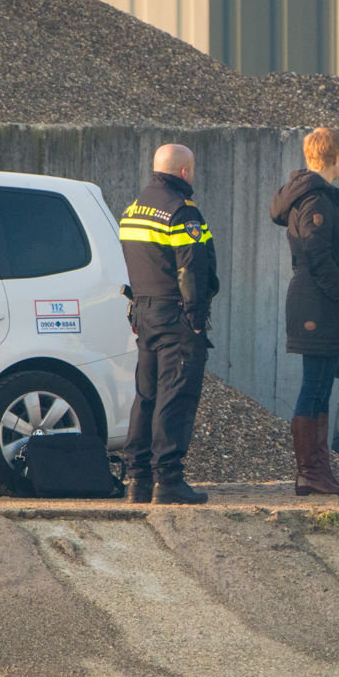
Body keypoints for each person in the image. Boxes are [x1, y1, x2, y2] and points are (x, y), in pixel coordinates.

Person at [119, 142, 219, 505]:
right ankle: (168, 479)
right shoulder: (181, 210)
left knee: (146, 397)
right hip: (176, 314)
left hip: (144, 313)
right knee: (175, 396)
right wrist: (195, 318)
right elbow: (190, 267)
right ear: (184, 172)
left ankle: (137, 479)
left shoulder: (133, 209)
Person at [272, 127, 339, 497]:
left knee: (321, 383)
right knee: (314, 386)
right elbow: (316, 253)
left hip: (317, 304)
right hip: (317, 305)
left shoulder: (316, 196)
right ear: (335, 158)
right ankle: (311, 471)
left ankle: (318, 470)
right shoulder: (315, 200)